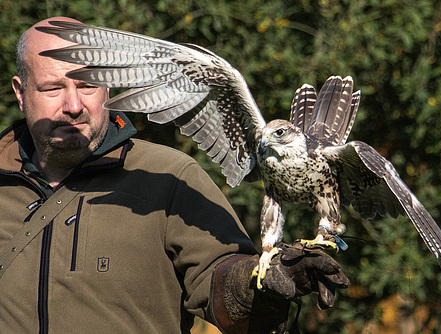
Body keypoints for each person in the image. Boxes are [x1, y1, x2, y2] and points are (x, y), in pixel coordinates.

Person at [0, 17, 349, 333]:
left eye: (88, 85)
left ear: (109, 85)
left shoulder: (170, 175)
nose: (74, 105)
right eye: (52, 88)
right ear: (20, 92)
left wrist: (266, 284)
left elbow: (221, 282)